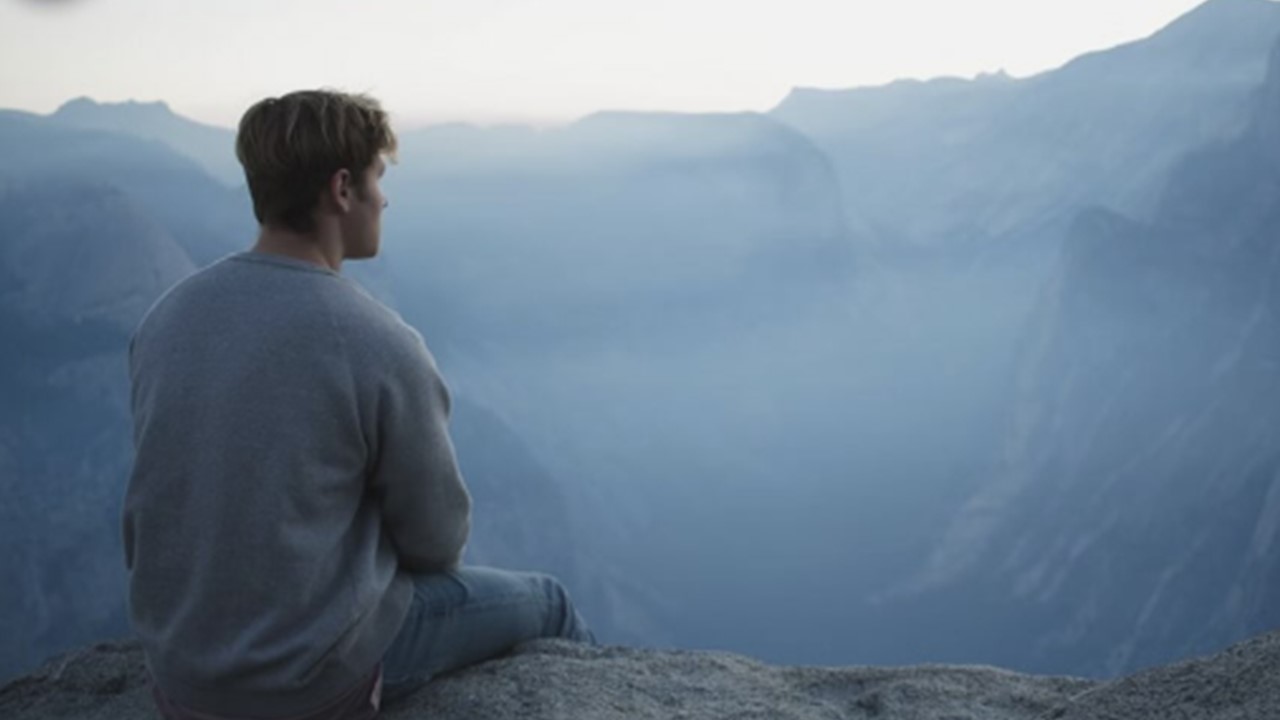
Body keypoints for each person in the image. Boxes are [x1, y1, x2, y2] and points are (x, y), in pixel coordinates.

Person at [122, 89, 594, 720]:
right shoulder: (377, 342)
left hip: (179, 677)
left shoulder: (165, 319)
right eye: (378, 176)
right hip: (308, 683)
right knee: (551, 602)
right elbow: (437, 541)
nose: (386, 197)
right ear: (342, 189)